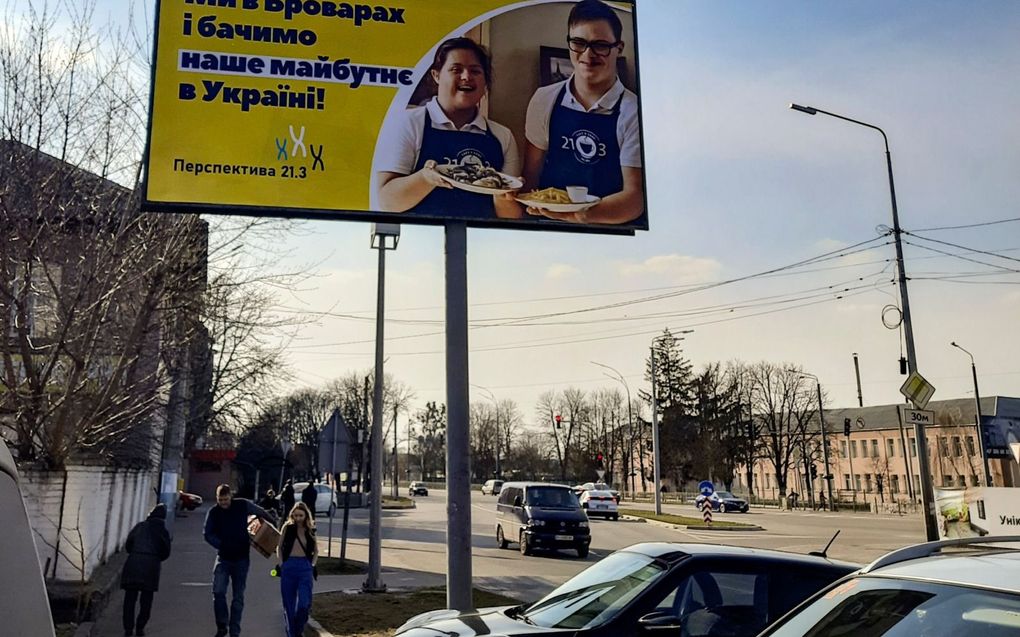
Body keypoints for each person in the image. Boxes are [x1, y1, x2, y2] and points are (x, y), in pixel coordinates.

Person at [517, 0, 644, 225]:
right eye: (579, 43)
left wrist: (578, 216)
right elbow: (530, 180)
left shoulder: (633, 111)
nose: (588, 54)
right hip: (546, 228)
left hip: (611, 231)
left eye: (600, 45)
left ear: (619, 48)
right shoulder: (544, 99)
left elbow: (634, 198)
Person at [375, 37, 520, 219]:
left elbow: (511, 218)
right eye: (456, 69)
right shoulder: (408, 123)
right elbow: (387, 202)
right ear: (436, 75)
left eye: (475, 71)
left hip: (482, 241)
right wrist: (425, 178)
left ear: (485, 83)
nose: (466, 77)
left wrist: (503, 198)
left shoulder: (502, 136)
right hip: (419, 239)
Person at [203, 484, 274, 637]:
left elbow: (260, 512)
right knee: (218, 592)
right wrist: (221, 544)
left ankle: (235, 631)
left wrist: (272, 522)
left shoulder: (242, 505)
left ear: (231, 496)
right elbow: (207, 533)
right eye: (220, 500)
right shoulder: (214, 512)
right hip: (223, 558)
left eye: (225, 499)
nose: (223, 503)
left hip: (241, 559)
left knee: (238, 597)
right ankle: (222, 625)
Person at [120, 503, 172, 637]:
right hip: (151, 568)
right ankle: (140, 627)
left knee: (130, 599)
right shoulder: (163, 531)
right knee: (146, 601)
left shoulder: (140, 526)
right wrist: (156, 558)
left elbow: (128, 544)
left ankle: (128, 629)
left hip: (133, 563)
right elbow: (166, 552)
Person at [276, 501, 318, 637]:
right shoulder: (287, 528)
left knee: (304, 604)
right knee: (289, 605)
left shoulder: (310, 530)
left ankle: (299, 630)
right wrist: (282, 563)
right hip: (289, 567)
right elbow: (279, 546)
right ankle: (292, 634)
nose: (298, 518)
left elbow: (316, 551)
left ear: (306, 515)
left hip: (305, 567)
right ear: (292, 515)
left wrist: (312, 565)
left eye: (301, 515)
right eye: (295, 516)